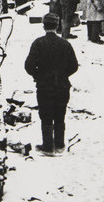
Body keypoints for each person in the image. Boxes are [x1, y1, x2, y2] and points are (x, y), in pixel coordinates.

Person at [25, 12, 79, 155]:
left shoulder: (38, 43)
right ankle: (60, 144)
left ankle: (48, 146)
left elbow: (29, 66)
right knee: (60, 114)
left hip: (44, 86)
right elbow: (74, 65)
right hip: (62, 86)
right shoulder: (65, 44)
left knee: (46, 114)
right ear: (57, 26)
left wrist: (39, 75)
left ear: (44, 26)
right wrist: (62, 75)